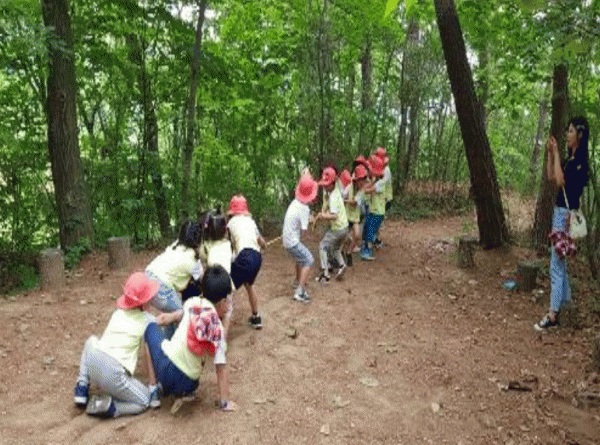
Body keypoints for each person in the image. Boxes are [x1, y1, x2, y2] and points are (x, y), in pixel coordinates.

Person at [144, 265, 237, 411]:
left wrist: (170, 317)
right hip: (188, 383)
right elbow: (220, 367)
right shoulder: (217, 327)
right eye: (228, 301)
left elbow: (182, 314)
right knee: (191, 367)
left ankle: (153, 389)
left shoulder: (192, 302)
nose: (229, 305)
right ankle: (179, 392)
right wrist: (225, 402)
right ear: (222, 301)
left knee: (150, 328)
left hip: (166, 370)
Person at [73, 272, 161, 418]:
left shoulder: (118, 313)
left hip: (94, 362)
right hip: (113, 373)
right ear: (145, 300)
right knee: (144, 400)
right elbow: (150, 347)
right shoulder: (148, 320)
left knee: (91, 341)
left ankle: (82, 386)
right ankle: (112, 407)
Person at [534, 117, 590, 331]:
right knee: (561, 264)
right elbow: (551, 176)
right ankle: (566, 305)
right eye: (567, 130)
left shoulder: (580, 163)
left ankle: (553, 315)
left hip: (565, 216)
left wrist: (557, 153)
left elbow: (560, 180)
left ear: (580, 135)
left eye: (571, 131)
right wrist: (551, 154)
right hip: (559, 213)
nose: (567, 134)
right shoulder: (568, 160)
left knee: (556, 265)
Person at [145, 220, 204, 338]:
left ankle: (169, 340)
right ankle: (182, 342)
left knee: (171, 312)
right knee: (181, 315)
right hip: (161, 288)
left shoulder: (175, 245)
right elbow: (201, 278)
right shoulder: (192, 262)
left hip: (147, 277)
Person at [227, 194, 267, 329]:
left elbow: (229, 246)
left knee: (226, 289)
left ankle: (220, 321)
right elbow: (261, 242)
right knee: (249, 285)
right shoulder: (251, 221)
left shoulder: (230, 224)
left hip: (244, 257)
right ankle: (256, 317)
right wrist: (264, 246)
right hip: (257, 258)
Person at [282, 171, 318, 303]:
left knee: (300, 259)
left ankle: (298, 281)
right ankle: (299, 292)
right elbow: (304, 232)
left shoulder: (295, 202)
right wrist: (312, 237)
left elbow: (302, 219)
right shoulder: (304, 208)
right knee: (308, 260)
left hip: (287, 240)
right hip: (292, 242)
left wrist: (308, 219)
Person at [199, 211, 235, 337]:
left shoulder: (206, 246)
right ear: (225, 230)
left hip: (212, 284)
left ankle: (209, 334)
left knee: (212, 309)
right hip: (226, 284)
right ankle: (222, 341)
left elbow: (203, 259)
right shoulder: (228, 244)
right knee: (227, 312)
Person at [314, 167, 349, 281]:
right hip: (344, 227)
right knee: (336, 249)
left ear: (333, 184)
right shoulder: (335, 191)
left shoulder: (333, 196)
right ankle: (342, 265)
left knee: (322, 246)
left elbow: (334, 216)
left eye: (327, 185)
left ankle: (325, 274)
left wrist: (322, 216)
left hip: (338, 228)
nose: (325, 187)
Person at [361, 155, 386, 261]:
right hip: (373, 210)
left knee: (370, 232)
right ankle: (365, 248)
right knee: (367, 229)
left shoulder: (381, 183)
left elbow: (367, 190)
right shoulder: (376, 181)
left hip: (377, 212)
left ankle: (367, 251)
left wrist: (364, 187)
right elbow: (367, 187)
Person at [344, 164, 369, 265]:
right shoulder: (350, 187)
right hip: (346, 215)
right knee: (343, 236)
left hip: (355, 217)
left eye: (363, 179)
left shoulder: (362, 191)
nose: (362, 182)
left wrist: (346, 201)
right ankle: (340, 253)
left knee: (357, 235)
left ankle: (349, 252)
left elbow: (354, 203)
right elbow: (344, 194)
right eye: (360, 179)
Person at [373, 147, 393, 247]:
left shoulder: (386, 170)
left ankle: (375, 239)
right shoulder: (380, 169)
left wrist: (370, 188)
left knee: (378, 218)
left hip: (385, 199)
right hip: (380, 199)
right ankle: (375, 238)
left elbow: (380, 185)